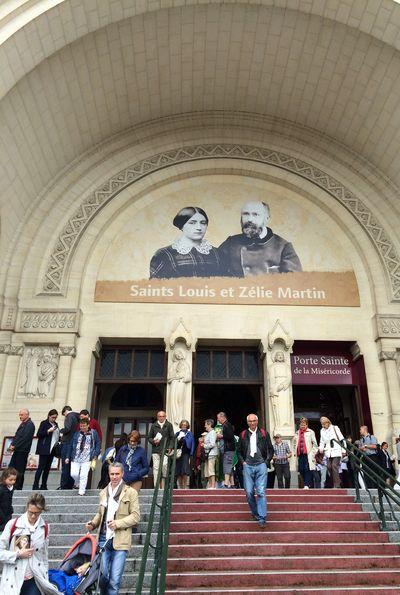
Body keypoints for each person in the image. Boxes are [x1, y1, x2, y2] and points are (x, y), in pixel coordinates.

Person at [85, 463, 140, 595]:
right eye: (112, 474)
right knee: (102, 576)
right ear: (109, 474)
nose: (114, 477)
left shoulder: (131, 492)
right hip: (103, 538)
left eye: (117, 474)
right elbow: (100, 513)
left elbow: (136, 516)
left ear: (122, 474)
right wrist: (92, 524)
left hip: (120, 540)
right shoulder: (103, 492)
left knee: (115, 581)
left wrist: (118, 523)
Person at [218, 201, 302, 277]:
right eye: (246, 214)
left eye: (256, 214)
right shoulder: (231, 243)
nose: (250, 219)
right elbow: (215, 270)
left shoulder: (283, 247)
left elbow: (293, 282)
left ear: (266, 219)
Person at [0, 492, 61, 594]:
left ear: (42, 511)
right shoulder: (13, 525)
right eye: (30, 512)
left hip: (34, 578)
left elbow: (44, 555)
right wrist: (18, 554)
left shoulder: (44, 527)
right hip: (13, 577)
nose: (33, 516)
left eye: (37, 513)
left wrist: (44, 576)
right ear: (27, 508)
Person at [149, 206, 222, 278]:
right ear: (182, 225)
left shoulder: (217, 253)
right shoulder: (164, 254)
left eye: (203, 223)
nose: (199, 228)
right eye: (192, 223)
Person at [237, 413, 273, 527]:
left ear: (257, 421)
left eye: (254, 421)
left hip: (261, 465)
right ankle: (255, 513)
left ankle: (262, 518)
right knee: (249, 492)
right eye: (250, 421)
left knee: (261, 492)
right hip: (248, 466)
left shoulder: (263, 433)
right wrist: (243, 461)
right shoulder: (243, 434)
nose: (252, 423)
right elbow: (238, 451)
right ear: (247, 422)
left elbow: (271, 449)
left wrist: (266, 462)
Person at [66, 417, 101, 496]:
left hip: (87, 457)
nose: (82, 428)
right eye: (81, 426)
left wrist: (96, 454)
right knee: (73, 474)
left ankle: (81, 491)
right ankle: (77, 482)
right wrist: (68, 457)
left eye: (84, 426)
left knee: (83, 475)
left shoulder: (93, 433)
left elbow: (98, 443)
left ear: (88, 425)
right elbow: (71, 445)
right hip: (76, 457)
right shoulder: (77, 434)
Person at [33, 409, 59, 491]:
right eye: (53, 417)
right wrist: (48, 431)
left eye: (55, 417)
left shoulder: (56, 424)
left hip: (52, 449)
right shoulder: (44, 423)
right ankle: (35, 485)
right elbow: (39, 434)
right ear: (49, 416)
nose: (54, 419)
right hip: (44, 448)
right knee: (41, 467)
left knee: (47, 468)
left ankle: (44, 485)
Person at [8, 408, 35, 490]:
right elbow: (17, 436)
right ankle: (11, 485)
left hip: (22, 451)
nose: (20, 416)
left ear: (27, 415)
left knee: (19, 470)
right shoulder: (23, 423)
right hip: (17, 450)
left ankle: (18, 487)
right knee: (11, 468)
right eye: (19, 415)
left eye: (22, 415)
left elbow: (25, 438)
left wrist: (14, 446)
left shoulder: (30, 424)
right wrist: (12, 445)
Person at [148, 411, 175, 488]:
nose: (161, 418)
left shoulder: (169, 425)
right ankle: (156, 485)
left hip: (165, 450)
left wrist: (170, 447)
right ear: (157, 417)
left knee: (164, 466)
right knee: (156, 468)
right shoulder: (154, 425)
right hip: (156, 450)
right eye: (160, 416)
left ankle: (164, 485)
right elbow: (149, 437)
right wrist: (153, 441)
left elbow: (172, 437)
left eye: (163, 416)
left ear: (165, 417)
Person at [318, 417, 345, 489]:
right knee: (329, 467)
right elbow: (322, 441)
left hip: (337, 450)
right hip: (328, 452)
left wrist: (344, 451)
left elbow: (342, 439)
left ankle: (336, 485)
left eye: (324, 423)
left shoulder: (335, 428)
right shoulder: (322, 431)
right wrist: (321, 447)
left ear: (328, 422)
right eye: (322, 424)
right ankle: (337, 482)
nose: (323, 425)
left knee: (334, 466)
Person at [293, 417, 318, 489]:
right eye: (301, 425)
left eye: (304, 425)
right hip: (300, 454)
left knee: (307, 469)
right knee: (301, 469)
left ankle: (306, 484)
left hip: (308, 454)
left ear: (307, 425)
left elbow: (315, 444)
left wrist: (313, 453)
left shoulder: (311, 432)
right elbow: (294, 444)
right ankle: (308, 483)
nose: (302, 426)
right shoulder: (297, 433)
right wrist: (295, 451)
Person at [59, 405, 80, 490]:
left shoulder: (69, 416)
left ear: (65, 411)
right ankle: (70, 485)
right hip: (74, 443)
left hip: (67, 442)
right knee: (71, 465)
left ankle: (64, 486)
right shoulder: (77, 416)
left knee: (65, 465)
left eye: (64, 414)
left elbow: (67, 428)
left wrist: (61, 430)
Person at [216, 412, 236, 489]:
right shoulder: (225, 425)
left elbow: (230, 436)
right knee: (229, 466)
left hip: (228, 449)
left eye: (218, 418)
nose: (218, 419)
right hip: (228, 449)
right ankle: (232, 483)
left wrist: (221, 436)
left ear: (222, 417)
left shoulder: (227, 425)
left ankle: (226, 484)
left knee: (227, 465)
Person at [175, 420, 195, 489]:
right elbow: (173, 442)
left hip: (186, 453)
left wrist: (191, 453)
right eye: (182, 425)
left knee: (185, 470)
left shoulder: (189, 433)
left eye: (185, 425)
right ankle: (180, 486)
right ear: (180, 425)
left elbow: (192, 443)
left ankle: (184, 486)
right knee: (178, 470)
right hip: (178, 454)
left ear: (187, 426)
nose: (184, 426)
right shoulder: (177, 433)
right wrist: (178, 440)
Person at [0, 467, 17, 532]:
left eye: (14, 480)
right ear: (4, 478)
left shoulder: (12, 488)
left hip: (8, 512)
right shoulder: (1, 489)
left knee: (7, 528)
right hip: (1, 512)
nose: (13, 482)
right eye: (10, 480)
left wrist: (11, 510)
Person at [203, 419, 218, 489]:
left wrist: (204, 445)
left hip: (212, 453)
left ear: (209, 425)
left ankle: (213, 485)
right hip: (207, 454)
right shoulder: (209, 433)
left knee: (211, 469)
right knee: (207, 470)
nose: (204, 426)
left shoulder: (212, 432)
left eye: (206, 424)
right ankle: (210, 485)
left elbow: (212, 444)